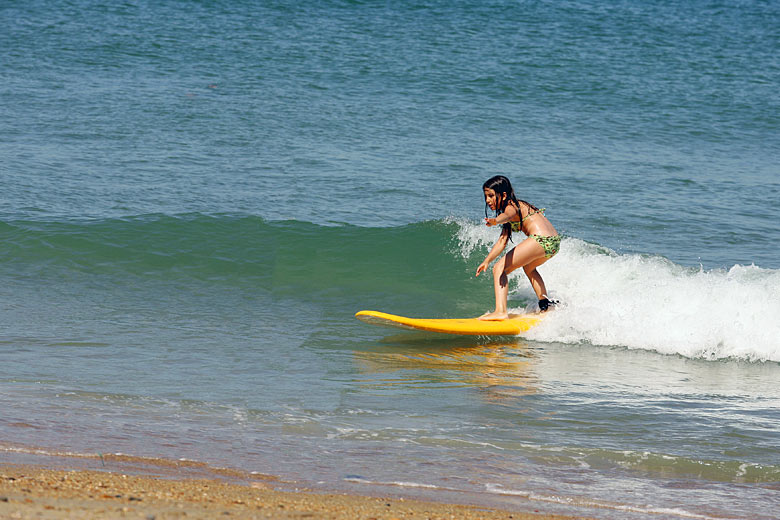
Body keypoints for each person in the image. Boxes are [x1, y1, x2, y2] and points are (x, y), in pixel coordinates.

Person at [476, 175, 561, 320]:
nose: (487, 200)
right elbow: (502, 241)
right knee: (528, 267)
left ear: (503, 195)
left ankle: (500, 312)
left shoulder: (511, 206)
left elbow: (508, 215)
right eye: (486, 196)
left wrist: (495, 221)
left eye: (491, 196)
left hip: (540, 238)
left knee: (499, 269)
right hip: (554, 242)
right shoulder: (515, 206)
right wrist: (487, 260)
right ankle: (545, 305)